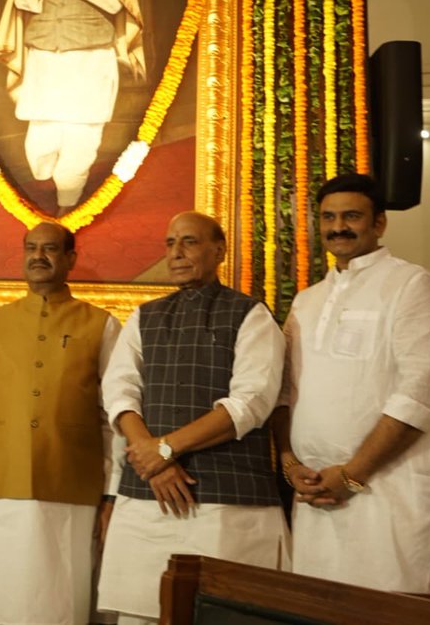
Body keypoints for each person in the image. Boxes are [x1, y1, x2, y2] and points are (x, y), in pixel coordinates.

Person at [272, 173, 430, 593]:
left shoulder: (413, 286)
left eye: (351, 216)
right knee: (323, 611)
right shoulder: (306, 301)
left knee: (400, 610)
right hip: (316, 499)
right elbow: (284, 392)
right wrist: (291, 465)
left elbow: (420, 395)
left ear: (379, 223)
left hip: (392, 496)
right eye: (328, 217)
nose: (338, 227)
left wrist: (353, 475)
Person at [97, 212, 288, 625]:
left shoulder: (251, 314)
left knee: (221, 616)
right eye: (169, 243)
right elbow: (119, 391)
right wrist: (153, 458)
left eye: (189, 241)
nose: (177, 253)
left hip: (227, 505)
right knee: (140, 614)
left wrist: (165, 449)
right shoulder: (143, 316)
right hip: (147, 499)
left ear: (218, 250)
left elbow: (251, 403)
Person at [0, 222, 121, 625]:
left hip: (74, 492)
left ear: (71, 259)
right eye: (31, 248)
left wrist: (112, 496)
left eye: (50, 249)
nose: (38, 256)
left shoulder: (101, 324)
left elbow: (114, 419)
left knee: (62, 610)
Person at [0, 0, 144, 212]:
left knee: (82, 134)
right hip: (45, 56)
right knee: (40, 142)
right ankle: (56, 182)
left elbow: (116, 4)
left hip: (89, 58)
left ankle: (68, 203)